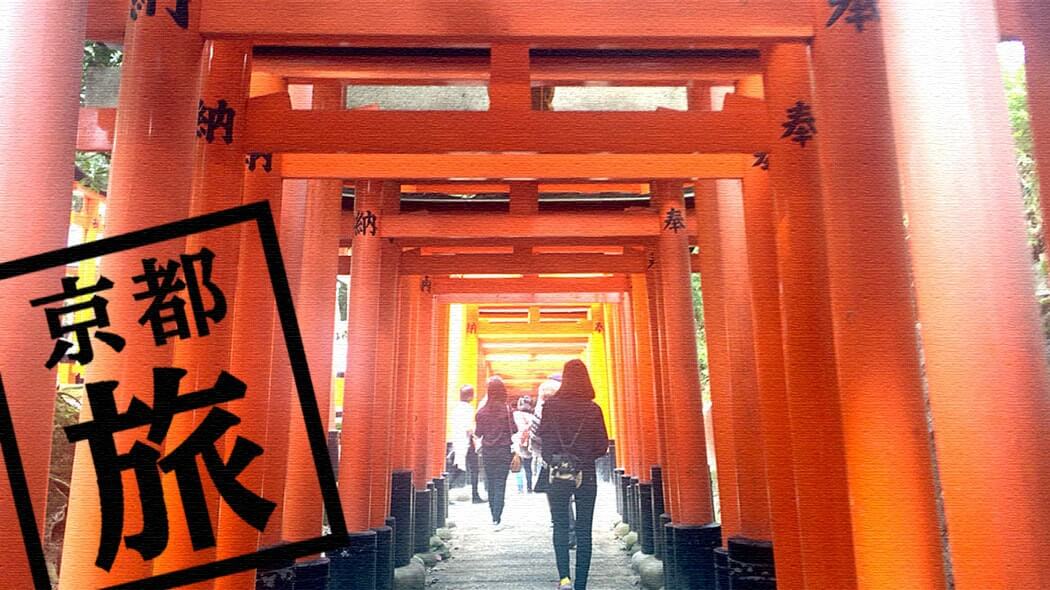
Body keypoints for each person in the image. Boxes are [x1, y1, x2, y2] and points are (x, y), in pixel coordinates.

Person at [537, 360, 609, 590]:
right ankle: (581, 584)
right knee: (584, 529)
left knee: (559, 525)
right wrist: (583, 457)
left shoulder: (550, 407)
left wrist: (557, 459)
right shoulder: (593, 408)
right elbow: (602, 446)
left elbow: (544, 445)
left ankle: (564, 579)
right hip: (585, 473)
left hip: (558, 474)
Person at [474, 376, 516, 529]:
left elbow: (478, 433)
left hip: (488, 451)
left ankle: (493, 514)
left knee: (490, 482)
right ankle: (497, 515)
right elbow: (515, 429)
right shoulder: (506, 409)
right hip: (504, 450)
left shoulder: (482, 412)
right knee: (500, 483)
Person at [450, 385, 484, 502]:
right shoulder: (468, 409)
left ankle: (446, 492)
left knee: (457, 468)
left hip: (458, 441)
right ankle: (475, 495)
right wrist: (477, 437)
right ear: (470, 396)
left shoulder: (456, 408)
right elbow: (469, 428)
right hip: (467, 442)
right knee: (474, 469)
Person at [512, 396, 537, 493]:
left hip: (516, 442)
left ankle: (520, 487)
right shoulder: (532, 417)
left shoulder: (514, 415)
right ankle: (529, 487)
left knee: (518, 465)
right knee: (527, 466)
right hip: (527, 443)